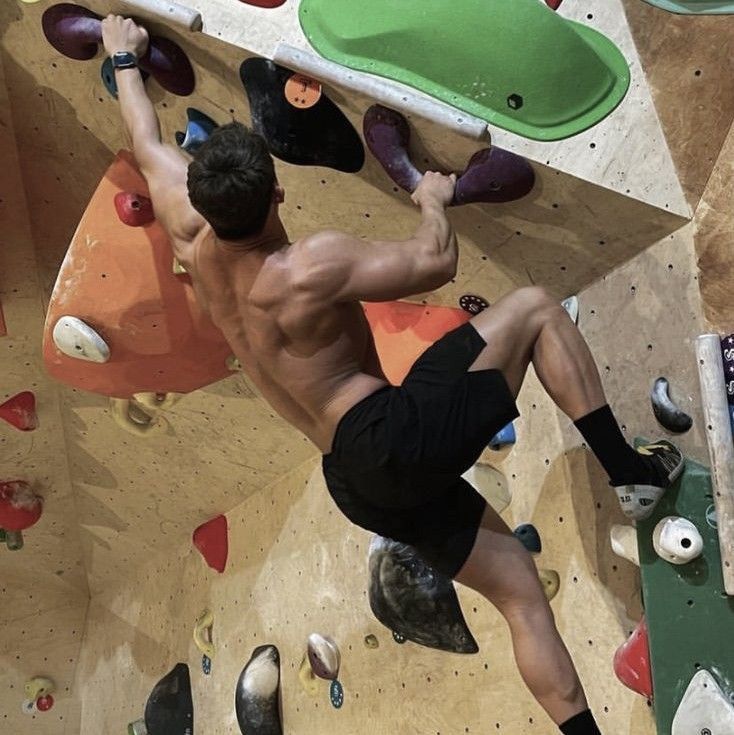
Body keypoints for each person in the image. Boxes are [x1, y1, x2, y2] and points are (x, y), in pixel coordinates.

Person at [101, 16, 683, 735]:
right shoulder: (307, 265)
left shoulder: (189, 228)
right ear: (277, 192)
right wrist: (432, 201)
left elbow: (145, 140)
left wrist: (123, 58)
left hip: (351, 478)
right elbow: (435, 262)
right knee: (534, 310)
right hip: (388, 436)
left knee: (522, 598)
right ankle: (632, 473)